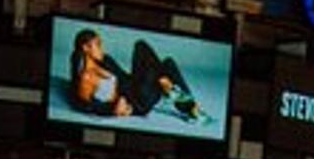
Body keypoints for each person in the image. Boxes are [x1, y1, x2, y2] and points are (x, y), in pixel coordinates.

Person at [64, 28, 208, 123]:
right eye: (98, 44)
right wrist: (113, 109)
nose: (102, 48)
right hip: (137, 103)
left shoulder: (105, 60)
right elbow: (82, 105)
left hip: (136, 88)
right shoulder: (85, 78)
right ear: (86, 48)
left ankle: (183, 101)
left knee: (150, 52)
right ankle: (176, 95)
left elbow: (123, 77)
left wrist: (148, 77)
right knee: (160, 73)